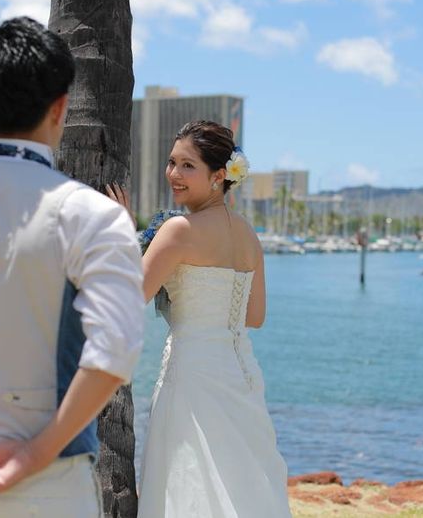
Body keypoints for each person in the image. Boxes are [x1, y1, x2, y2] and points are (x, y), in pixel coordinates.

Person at [0, 17, 145, 517]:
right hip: (47, 479)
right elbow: (115, 351)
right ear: (61, 106)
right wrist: (33, 453)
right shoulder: (93, 214)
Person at [113, 120, 291, 517]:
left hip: (191, 376)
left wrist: (124, 235)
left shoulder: (178, 230)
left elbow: (128, 297)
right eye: (172, 162)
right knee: (241, 483)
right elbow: (255, 317)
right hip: (241, 374)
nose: (174, 174)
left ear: (219, 176)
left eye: (188, 165)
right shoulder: (248, 234)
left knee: (188, 484)